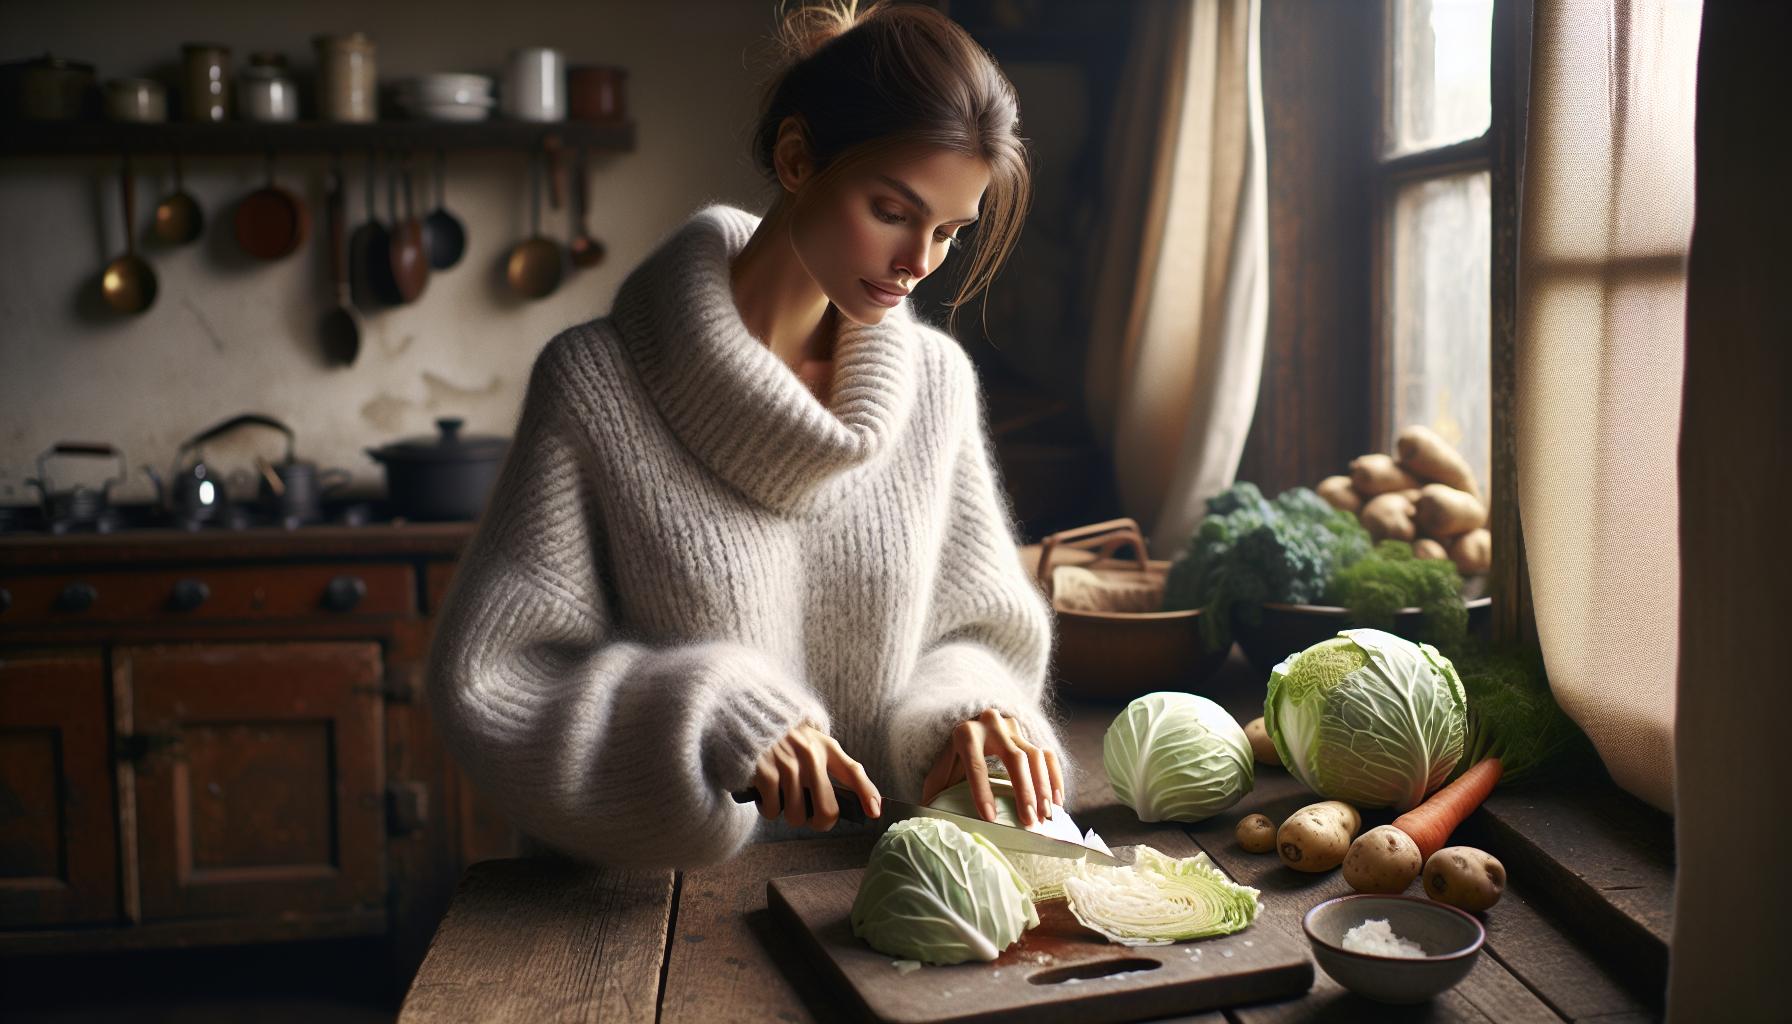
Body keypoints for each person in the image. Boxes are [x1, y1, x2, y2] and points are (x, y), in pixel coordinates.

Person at [426, 0, 1071, 870]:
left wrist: (968, 706)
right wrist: (709, 710)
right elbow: (496, 681)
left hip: (880, 897)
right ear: (797, 158)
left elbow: (978, 631)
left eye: (950, 232)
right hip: (650, 920)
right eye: (892, 210)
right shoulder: (596, 385)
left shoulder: (938, 387)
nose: (918, 261)